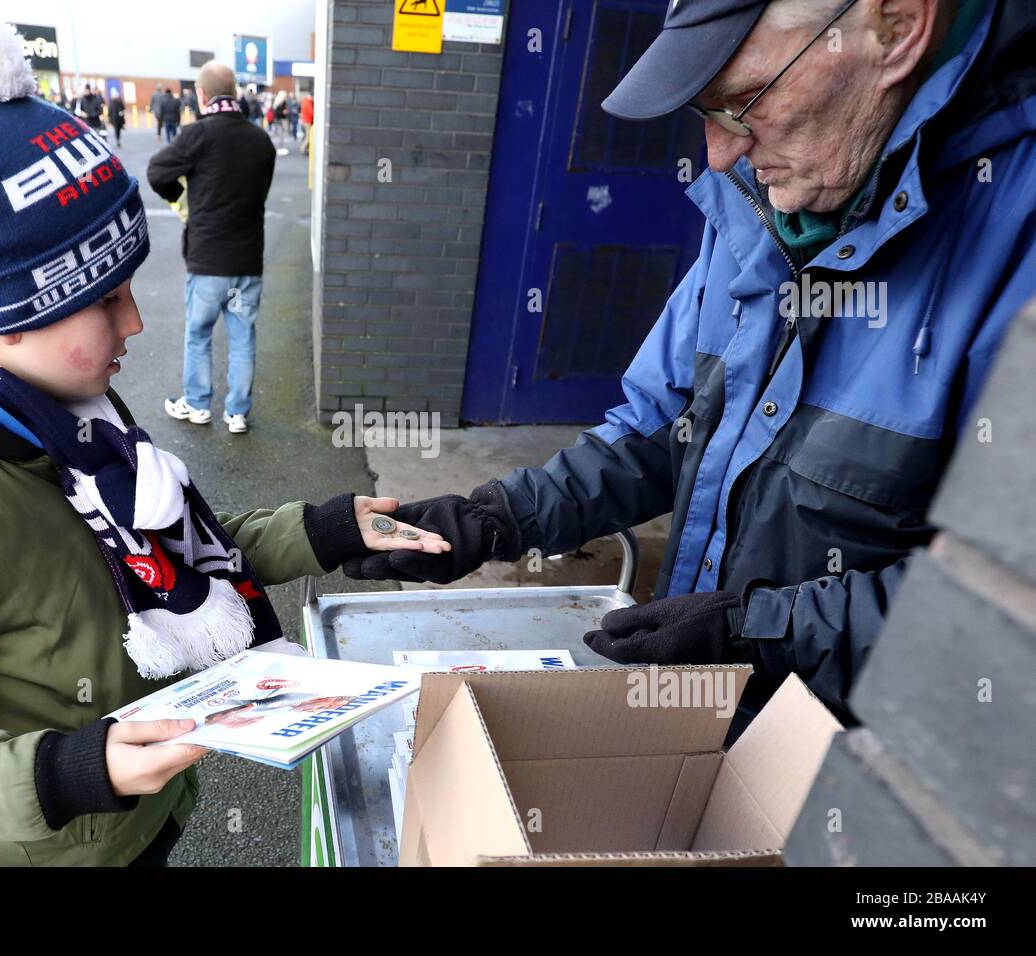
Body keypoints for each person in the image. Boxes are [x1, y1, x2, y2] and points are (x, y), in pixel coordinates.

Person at [0, 16, 449, 869]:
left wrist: (328, 527)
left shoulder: (61, 410)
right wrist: (68, 772)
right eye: (102, 300)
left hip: (146, 806)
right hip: (65, 843)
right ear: (1, 315)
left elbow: (173, 546)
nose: (137, 321)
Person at [346, 0, 1036, 734]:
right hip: (709, 723)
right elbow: (664, 429)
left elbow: (1007, 606)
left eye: (743, 104)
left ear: (896, 28)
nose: (718, 154)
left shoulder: (1014, 231)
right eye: (706, 113)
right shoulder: (762, 206)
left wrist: (764, 633)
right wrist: (498, 517)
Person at [147, 60, 276, 435]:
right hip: (247, 262)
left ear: (202, 95)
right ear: (234, 93)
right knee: (242, 338)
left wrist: (182, 197)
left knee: (199, 335)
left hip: (208, 262)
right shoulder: (261, 141)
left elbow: (157, 172)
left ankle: (198, 403)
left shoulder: (197, 135)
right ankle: (236, 413)